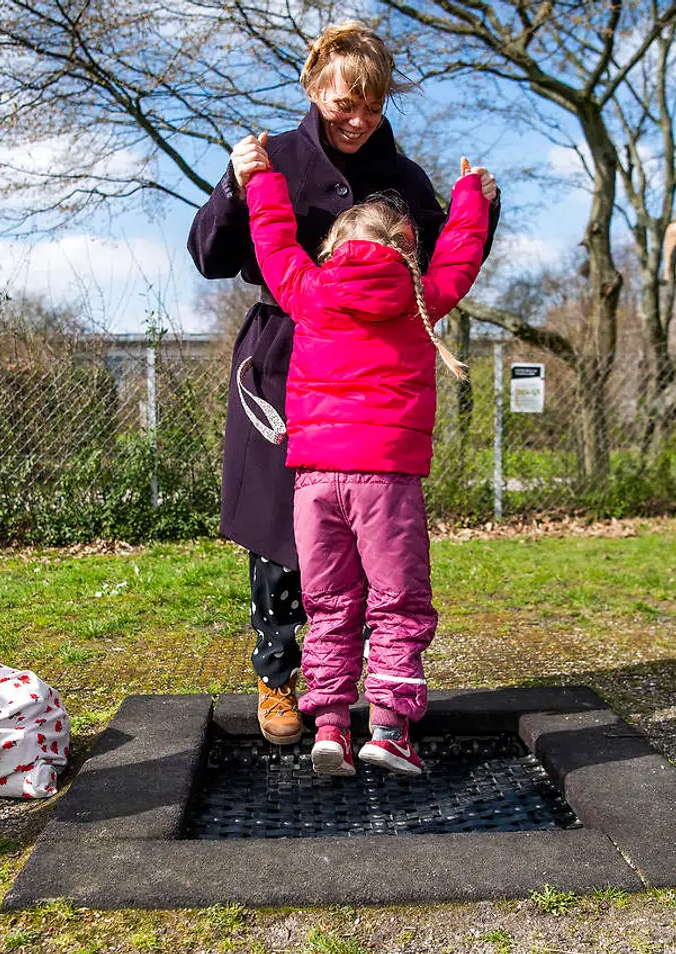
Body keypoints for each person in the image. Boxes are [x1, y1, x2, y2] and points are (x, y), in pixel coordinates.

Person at [187, 21, 500, 745]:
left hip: (373, 381)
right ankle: (278, 682)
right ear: (312, 90)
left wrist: (481, 201)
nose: (358, 120)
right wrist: (239, 184)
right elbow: (210, 253)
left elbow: (449, 261)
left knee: (377, 547)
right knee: (278, 536)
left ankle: (366, 695)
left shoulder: (407, 178)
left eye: (372, 105)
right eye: (342, 105)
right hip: (280, 360)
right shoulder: (275, 159)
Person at [242, 153, 490, 775]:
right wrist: (470, 197)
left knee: (329, 602)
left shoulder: (310, 290)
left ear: (331, 247)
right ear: (408, 251)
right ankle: (388, 728)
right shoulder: (419, 299)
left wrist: (264, 181)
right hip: (387, 481)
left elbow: (272, 244)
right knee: (397, 602)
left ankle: (328, 725)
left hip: (315, 481)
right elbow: (459, 258)